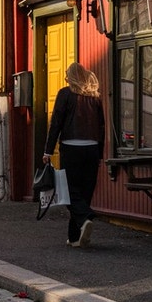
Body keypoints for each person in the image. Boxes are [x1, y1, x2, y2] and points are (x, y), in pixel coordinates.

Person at [42, 62, 106, 248]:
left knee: (69, 191)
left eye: (67, 75)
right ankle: (75, 237)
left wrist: (48, 150)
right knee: (84, 191)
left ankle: (86, 217)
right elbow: (101, 127)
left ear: (70, 77)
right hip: (92, 149)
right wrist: (100, 154)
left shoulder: (65, 94)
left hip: (71, 148)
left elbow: (56, 124)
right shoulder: (95, 98)